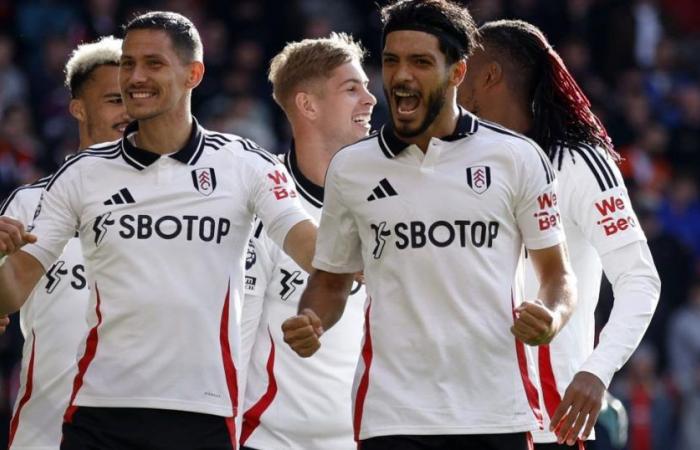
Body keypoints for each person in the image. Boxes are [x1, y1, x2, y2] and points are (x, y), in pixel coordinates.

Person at [0, 11, 316, 450]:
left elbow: (310, 247)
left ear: (194, 73)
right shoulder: (82, 173)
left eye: (153, 63)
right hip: (99, 411)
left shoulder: (244, 164)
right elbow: (13, 285)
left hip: (203, 413)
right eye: (128, 63)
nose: (135, 77)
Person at [282, 1, 577, 449]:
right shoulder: (352, 168)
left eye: (420, 62)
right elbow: (330, 280)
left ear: (458, 72)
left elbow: (558, 276)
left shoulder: (516, 158)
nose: (401, 76)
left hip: (495, 411)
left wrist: (552, 315)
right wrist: (312, 319)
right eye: (391, 61)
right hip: (392, 415)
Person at [458, 19, 660, 448]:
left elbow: (640, 279)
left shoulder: (577, 162)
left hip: (551, 419)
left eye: (463, 67)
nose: (452, 79)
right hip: (466, 414)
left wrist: (596, 370)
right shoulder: (457, 161)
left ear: (490, 74)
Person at [239, 33, 376, 450]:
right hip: (269, 439)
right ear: (308, 105)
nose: (370, 99)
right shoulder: (262, 201)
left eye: (367, 87)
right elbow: (237, 334)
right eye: (352, 88)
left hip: (366, 437)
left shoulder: (390, 200)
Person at [3, 35, 129, 449]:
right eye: (114, 99)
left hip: (144, 429)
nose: (128, 111)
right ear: (78, 108)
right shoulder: (27, 204)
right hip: (47, 432)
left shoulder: (176, 210)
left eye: (134, 98)